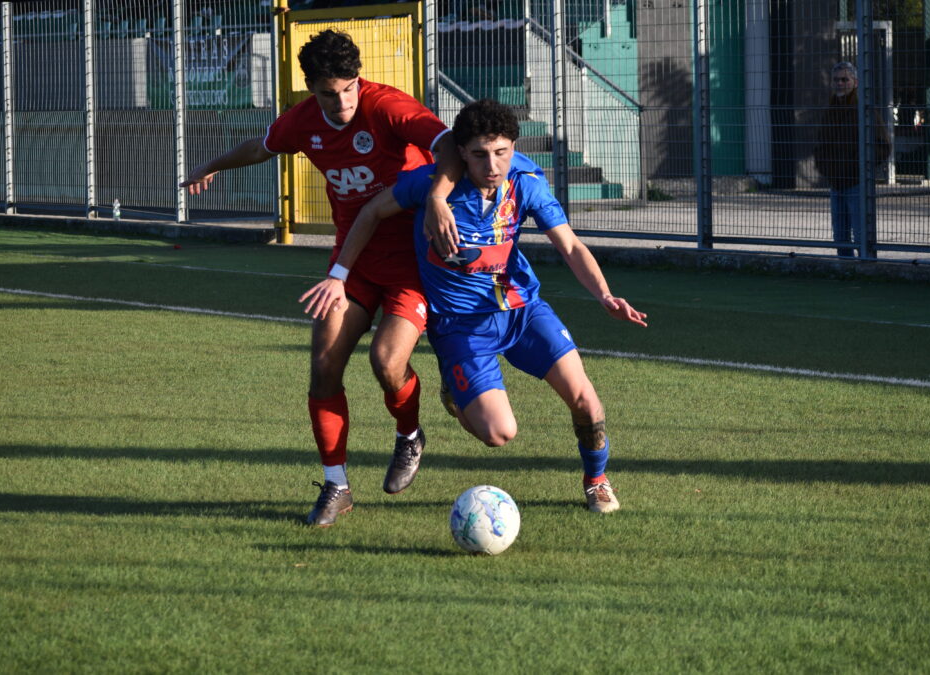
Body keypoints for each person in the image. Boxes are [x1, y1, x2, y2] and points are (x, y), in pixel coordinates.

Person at [301, 99, 647, 513]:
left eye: (502, 152)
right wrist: (339, 273)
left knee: (586, 401)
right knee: (500, 433)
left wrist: (604, 295)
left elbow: (570, 244)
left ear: (514, 148)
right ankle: (454, 390)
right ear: (460, 152)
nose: (493, 164)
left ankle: (597, 480)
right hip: (461, 328)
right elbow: (372, 211)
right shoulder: (430, 187)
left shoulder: (528, 183)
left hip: (522, 311)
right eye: (480, 154)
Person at [180, 30, 462, 527]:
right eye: (330, 92)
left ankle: (409, 434)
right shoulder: (302, 122)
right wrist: (212, 165)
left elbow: (452, 148)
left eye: (350, 87)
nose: (343, 101)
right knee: (325, 364)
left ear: (359, 79)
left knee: (385, 363)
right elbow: (260, 146)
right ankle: (336, 485)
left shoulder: (389, 107)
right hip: (351, 263)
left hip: (412, 265)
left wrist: (437, 196)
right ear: (310, 87)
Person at [814, 61, 891, 257]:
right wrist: (826, 168)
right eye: (836, 80)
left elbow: (883, 145)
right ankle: (846, 267)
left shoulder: (865, 111)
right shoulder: (830, 111)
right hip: (836, 182)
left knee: (861, 233)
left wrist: (861, 166)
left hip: (857, 182)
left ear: (855, 82)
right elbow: (820, 144)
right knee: (840, 235)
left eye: (844, 79)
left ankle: (866, 265)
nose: (840, 83)